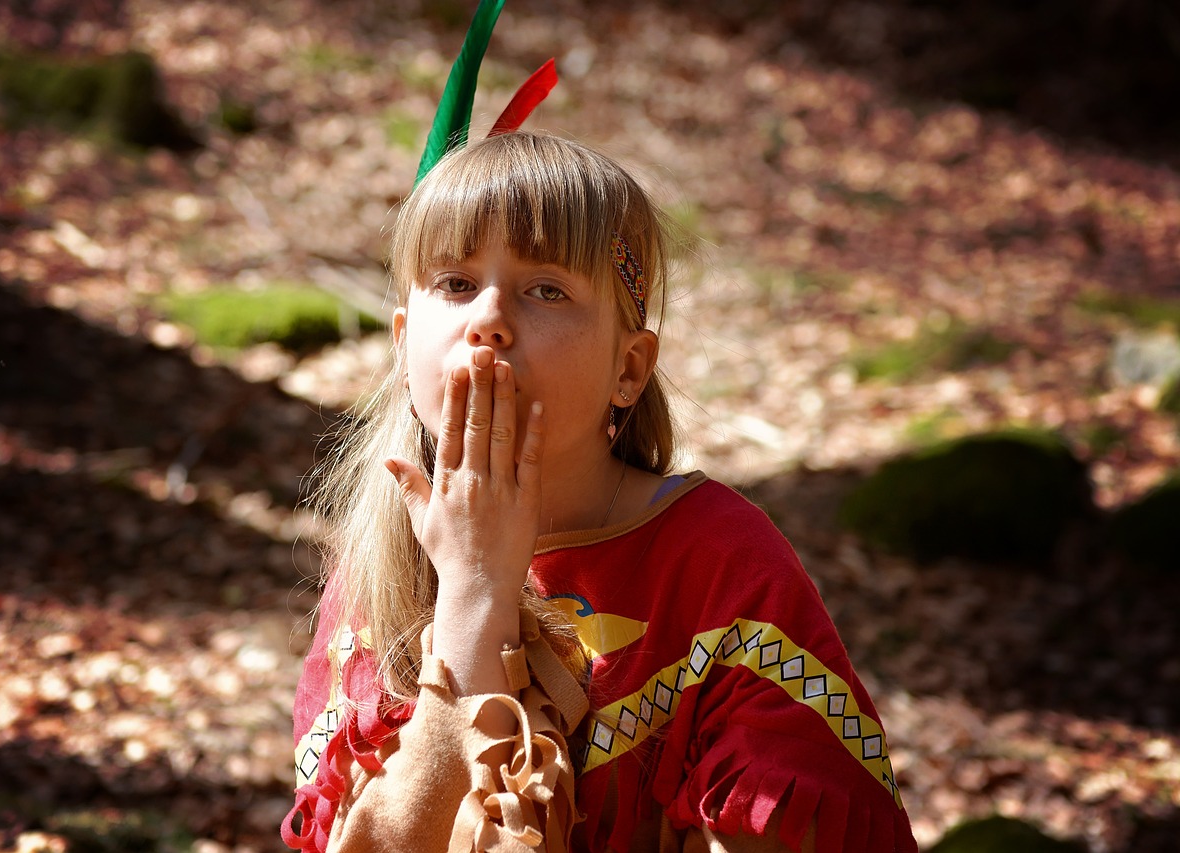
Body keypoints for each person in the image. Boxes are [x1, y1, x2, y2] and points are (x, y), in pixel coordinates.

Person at [280, 128, 917, 852]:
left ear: (630, 367)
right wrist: (472, 596)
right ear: (402, 342)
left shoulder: (719, 558)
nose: (487, 320)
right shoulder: (377, 567)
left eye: (545, 289)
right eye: (455, 284)